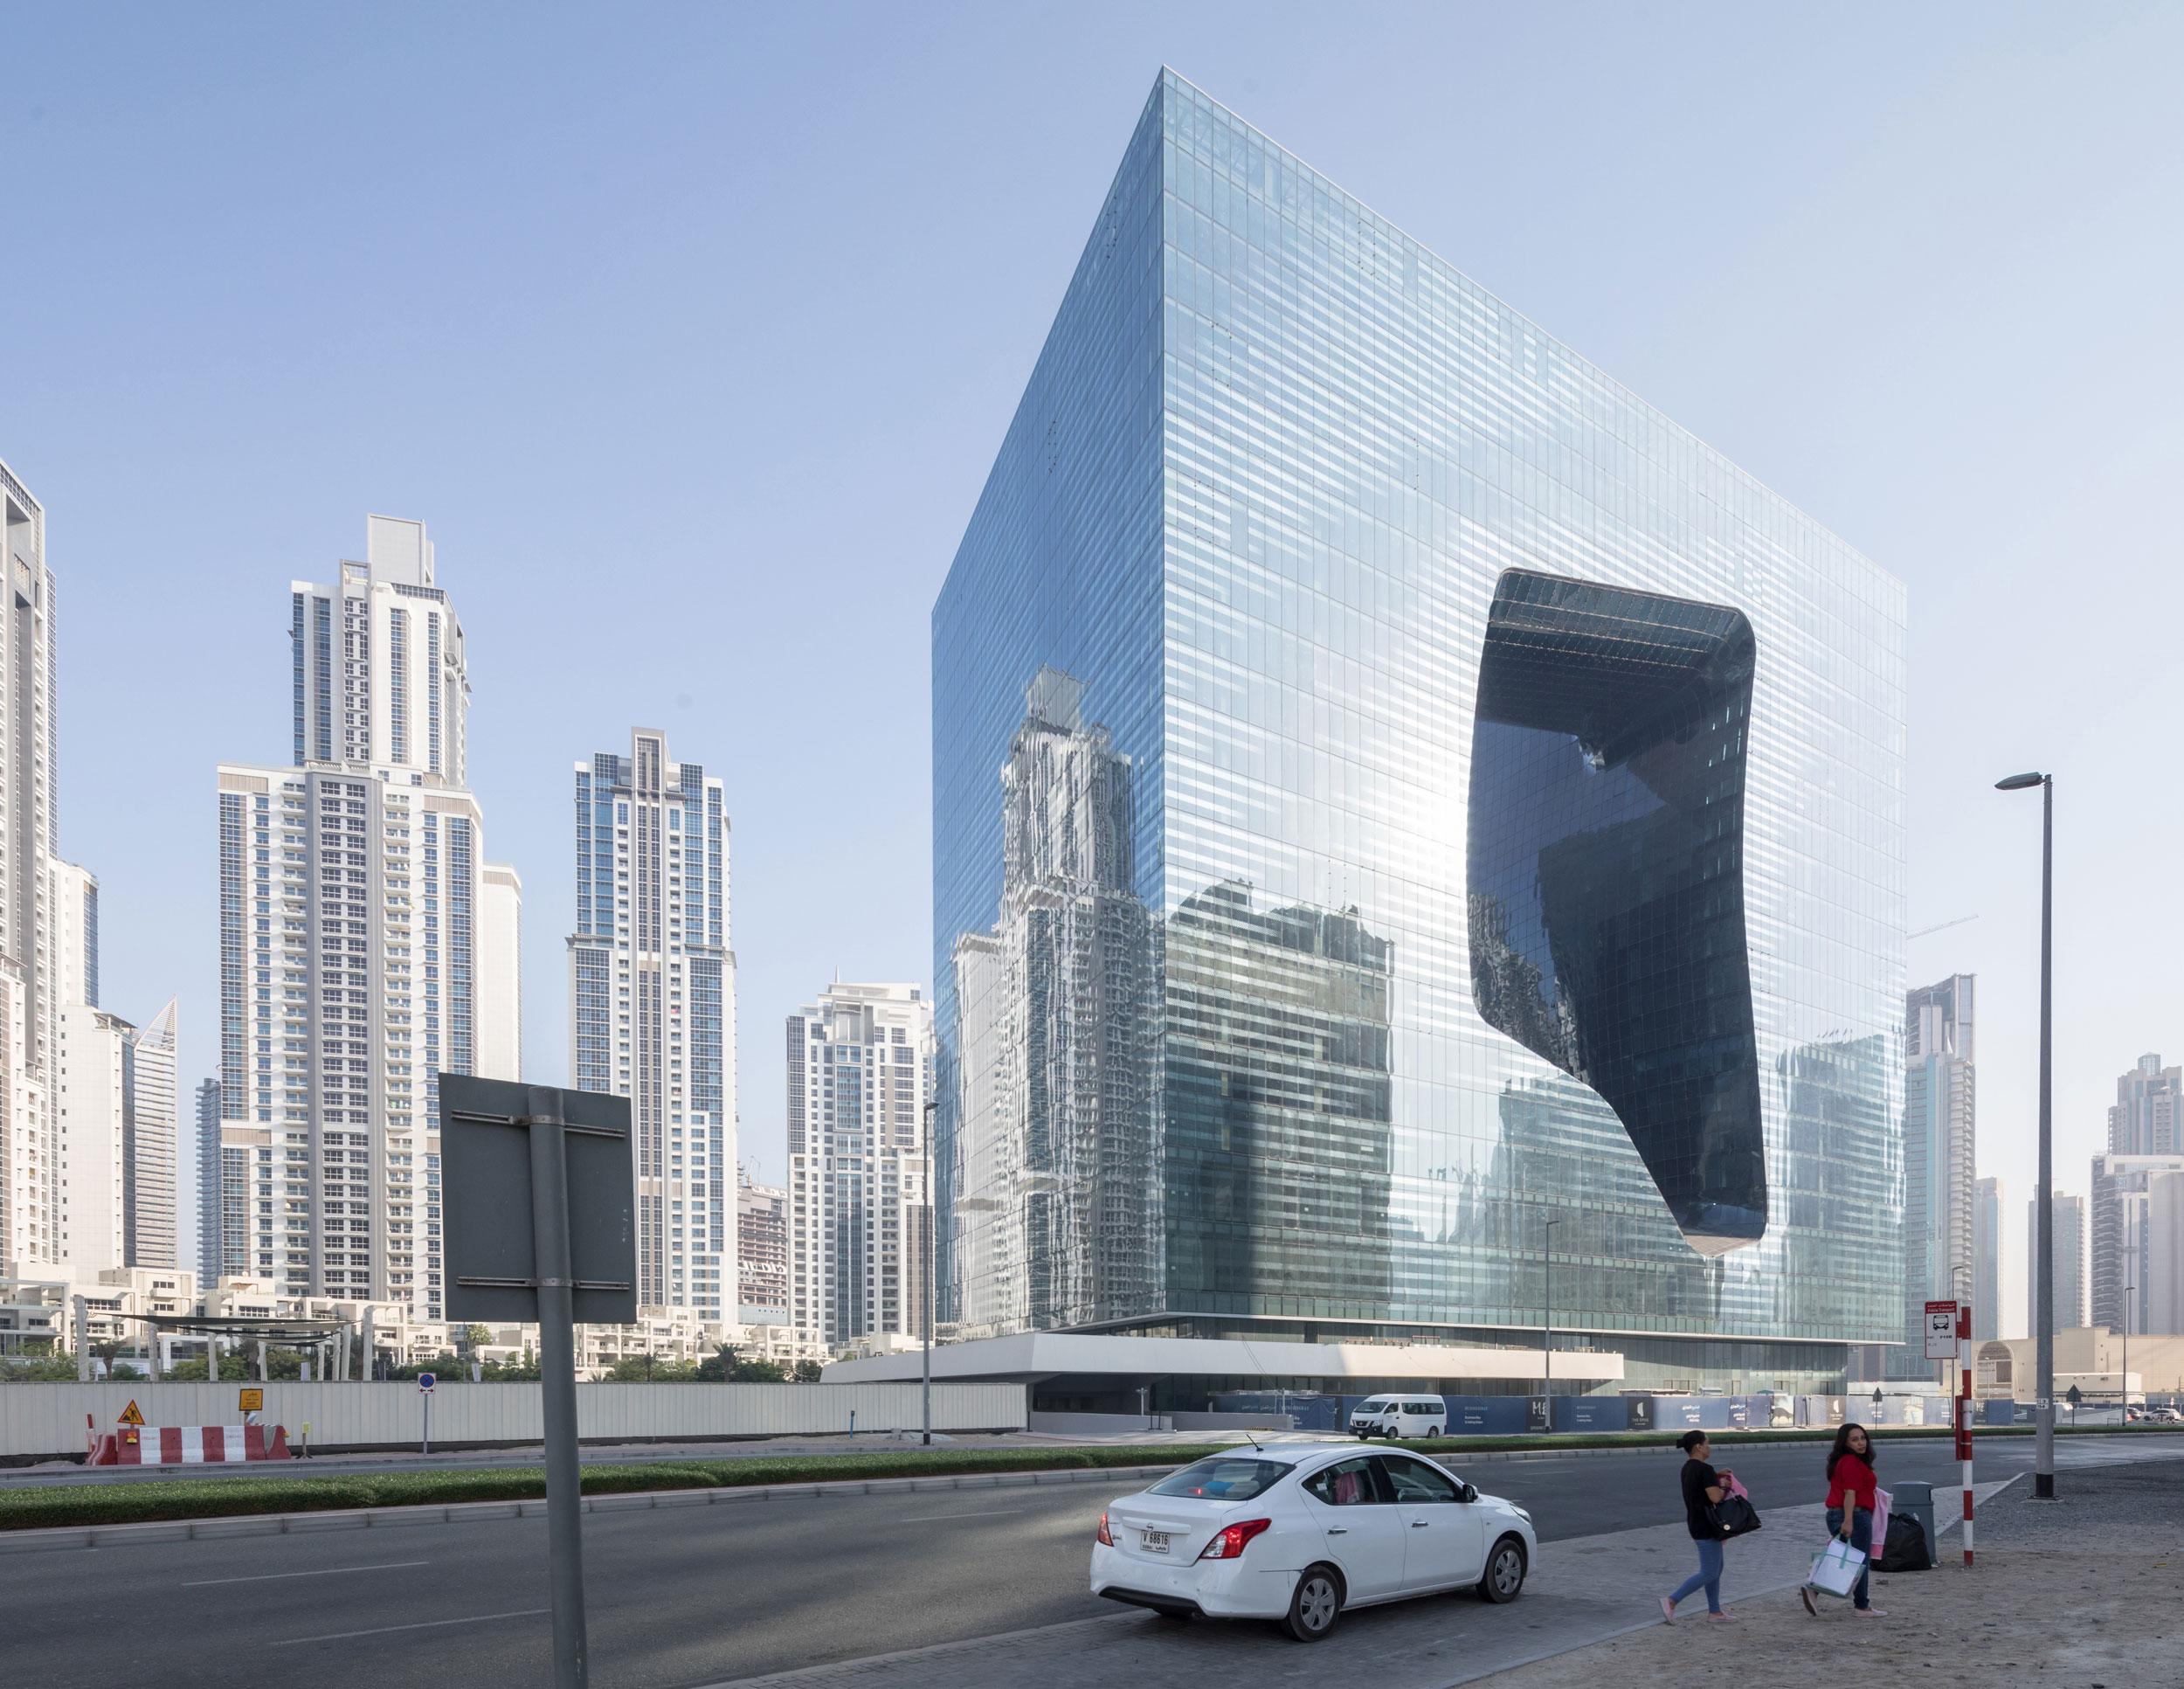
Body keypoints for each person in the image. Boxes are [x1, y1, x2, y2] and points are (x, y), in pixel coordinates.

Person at [1803, 1421, 1883, 1616]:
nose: (1861, 1443)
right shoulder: (1851, 1462)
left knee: (1842, 1558)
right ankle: (1861, 1606)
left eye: (1863, 1438)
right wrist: (1848, 1520)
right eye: (1855, 1440)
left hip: (1841, 1513)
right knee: (1859, 1561)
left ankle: (1814, 1589)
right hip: (1854, 1514)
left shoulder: (1847, 1461)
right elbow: (1850, 1493)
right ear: (1845, 1443)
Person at [1662, 1429, 1734, 1623]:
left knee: (1716, 1569)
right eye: (1707, 1444)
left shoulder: (1688, 1468)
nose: (1709, 1447)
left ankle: (1715, 1612)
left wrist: (1716, 1475)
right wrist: (1725, 1486)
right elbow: (1715, 1498)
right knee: (1709, 1572)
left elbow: (1699, 1486)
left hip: (1696, 1523)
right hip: (1707, 1526)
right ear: (1699, 1447)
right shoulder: (1705, 1470)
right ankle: (1672, 1600)